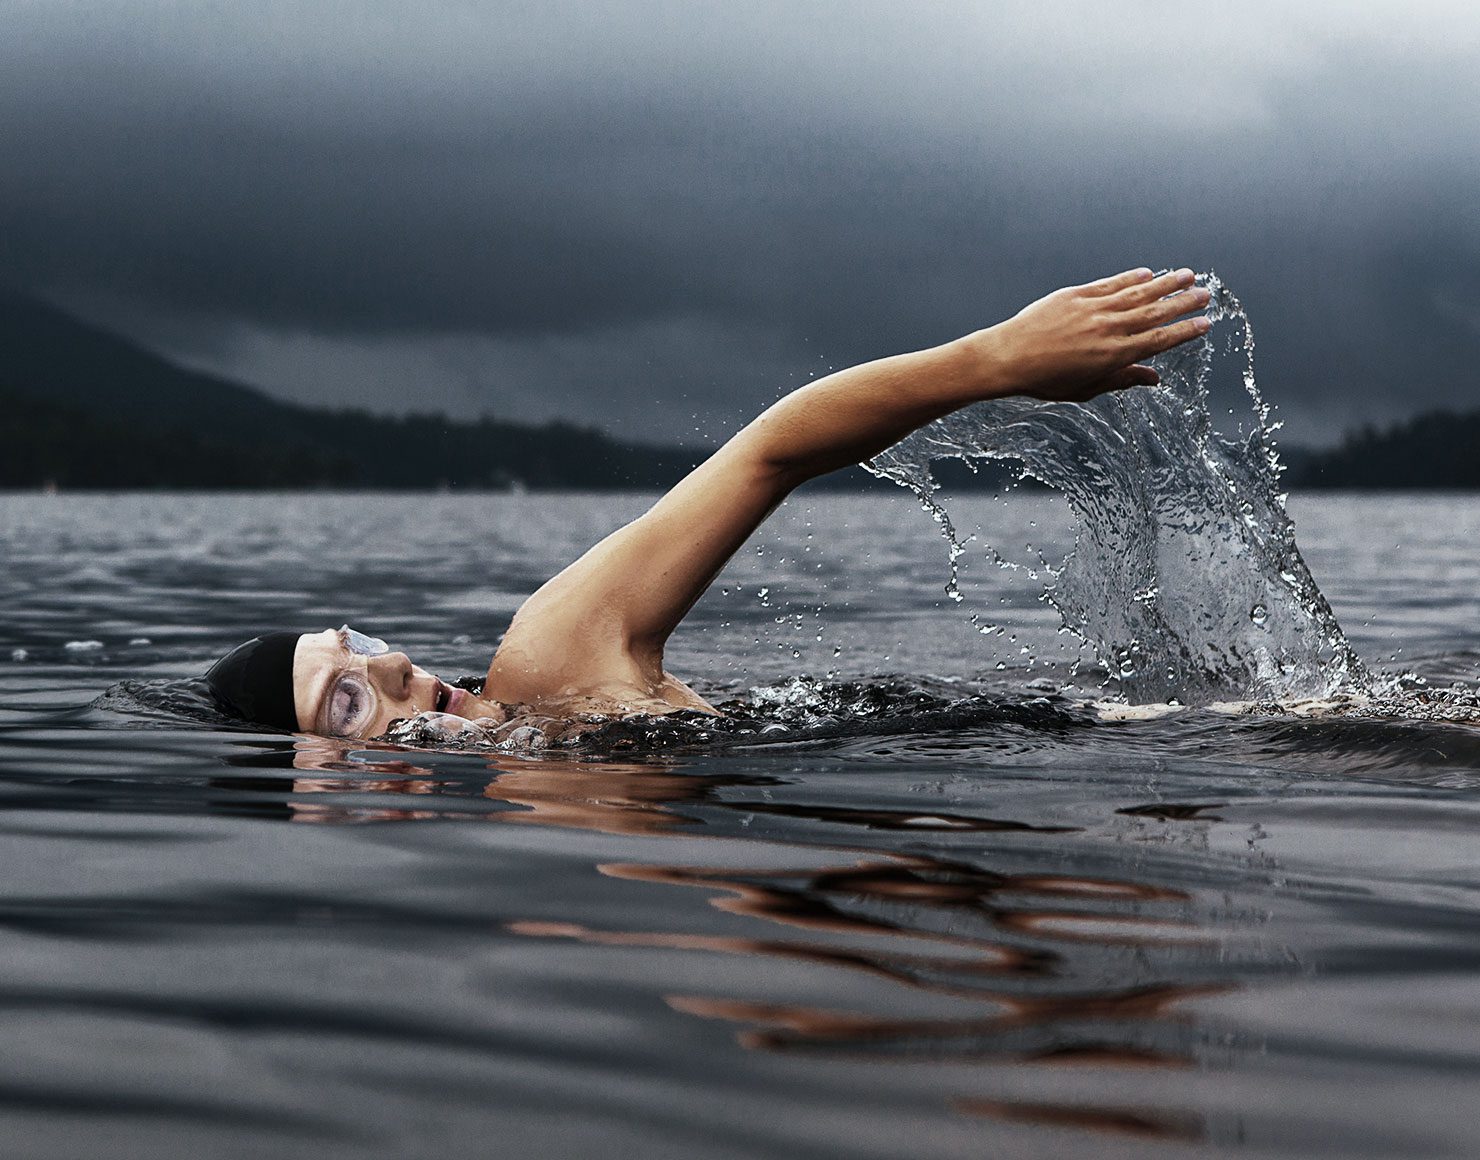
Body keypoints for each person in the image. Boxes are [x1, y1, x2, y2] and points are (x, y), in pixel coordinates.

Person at [206, 267, 1211, 740]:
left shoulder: (550, 662)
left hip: (1148, 734)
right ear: (319, 788)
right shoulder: (538, 851)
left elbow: (768, 452)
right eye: (346, 696)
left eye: (359, 643)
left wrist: (995, 359)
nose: (390, 662)